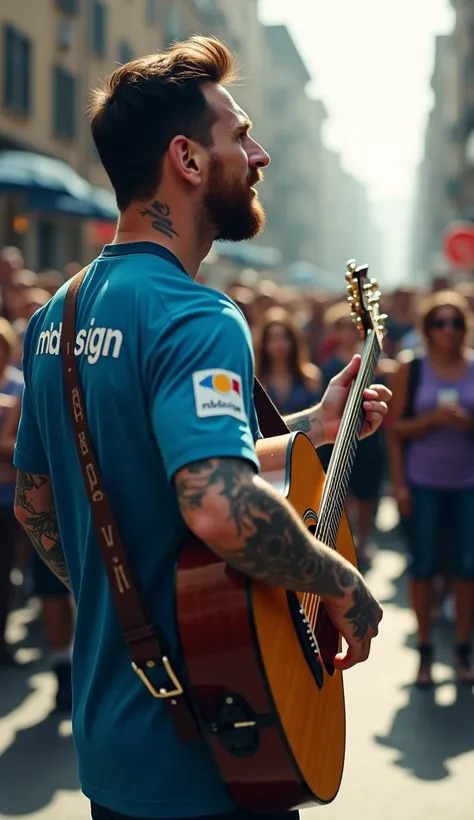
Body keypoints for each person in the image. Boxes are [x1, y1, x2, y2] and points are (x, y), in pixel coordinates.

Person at [12, 37, 390, 820]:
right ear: (186, 159)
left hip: (115, 750)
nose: (261, 155)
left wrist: (308, 432)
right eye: (240, 135)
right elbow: (215, 507)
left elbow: (41, 506)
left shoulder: (57, 315)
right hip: (218, 752)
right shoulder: (197, 314)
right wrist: (342, 582)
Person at [388, 290, 474, 687]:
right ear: (427, 328)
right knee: (423, 564)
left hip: (467, 482)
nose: (448, 331)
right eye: (439, 323)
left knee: (466, 566)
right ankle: (424, 651)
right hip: (422, 481)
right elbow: (394, 431)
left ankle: (461, 650)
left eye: (455, 322)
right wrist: (432, 421)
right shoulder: (412, 368)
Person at [254, 306, 321, 415]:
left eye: (283, 337)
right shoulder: (255, 380)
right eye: (272, 338)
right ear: (263, 343)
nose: (279, 344)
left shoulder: (310, 377)